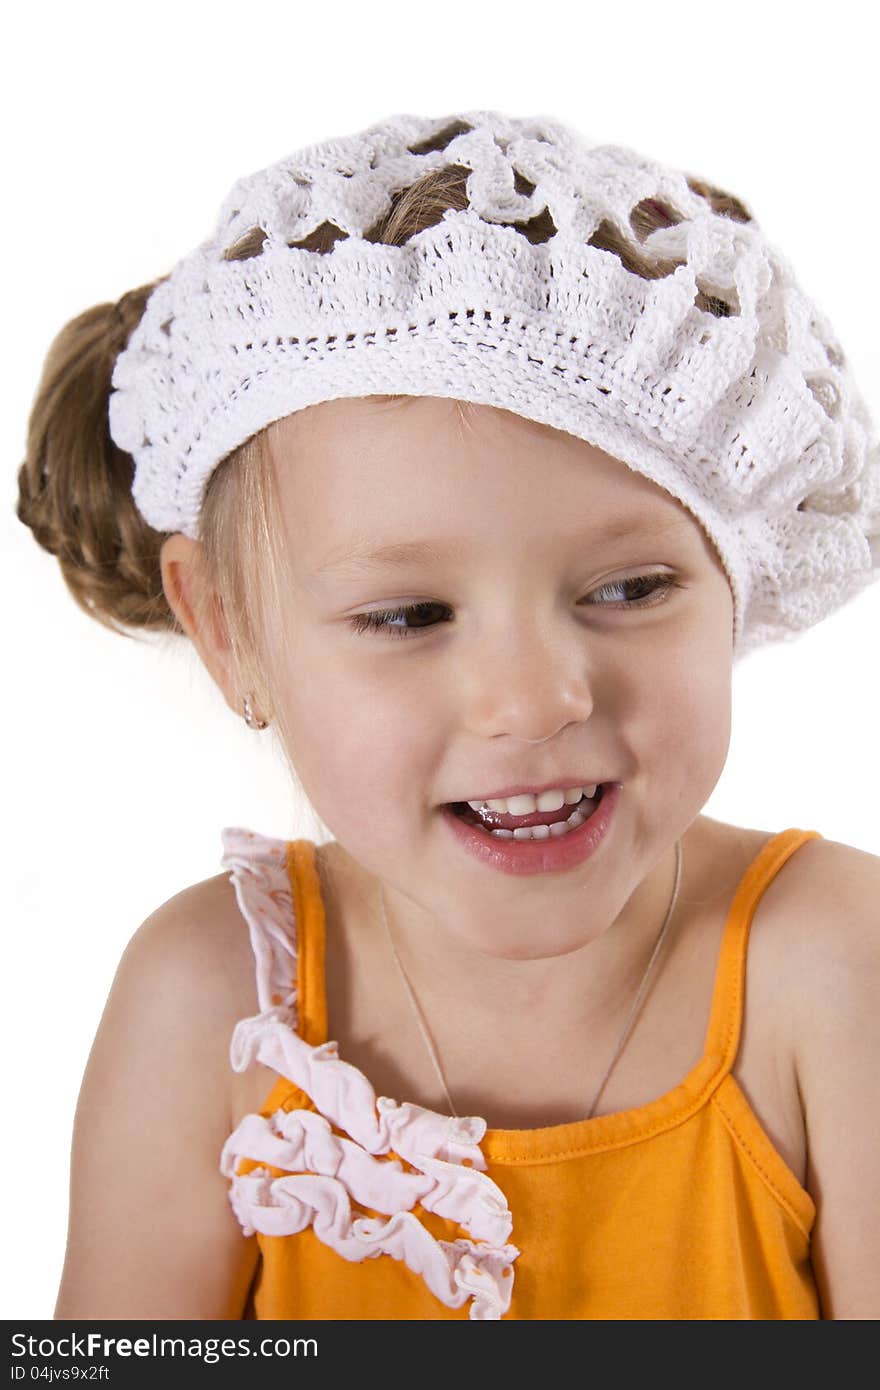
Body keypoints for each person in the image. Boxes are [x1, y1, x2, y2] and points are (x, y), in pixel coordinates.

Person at [17, 109, 880, 1321]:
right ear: (224, 629)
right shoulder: (211, 1007)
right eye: (410, 614)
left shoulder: (835, 973)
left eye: (630, 589)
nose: (535, 701)